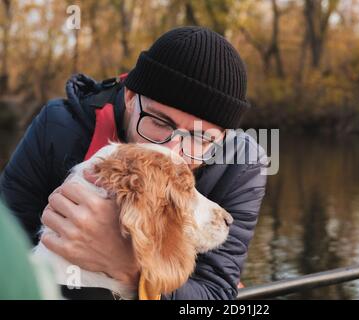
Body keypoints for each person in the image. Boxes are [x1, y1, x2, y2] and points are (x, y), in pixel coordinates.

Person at [0, 26, 267, 299]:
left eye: (200, 137)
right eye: (160, 122)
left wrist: (129, 268)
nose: (173, 149)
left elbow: (216, 293)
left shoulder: (243, 163)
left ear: (222, 137)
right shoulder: (59, 127)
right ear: (130, 97)